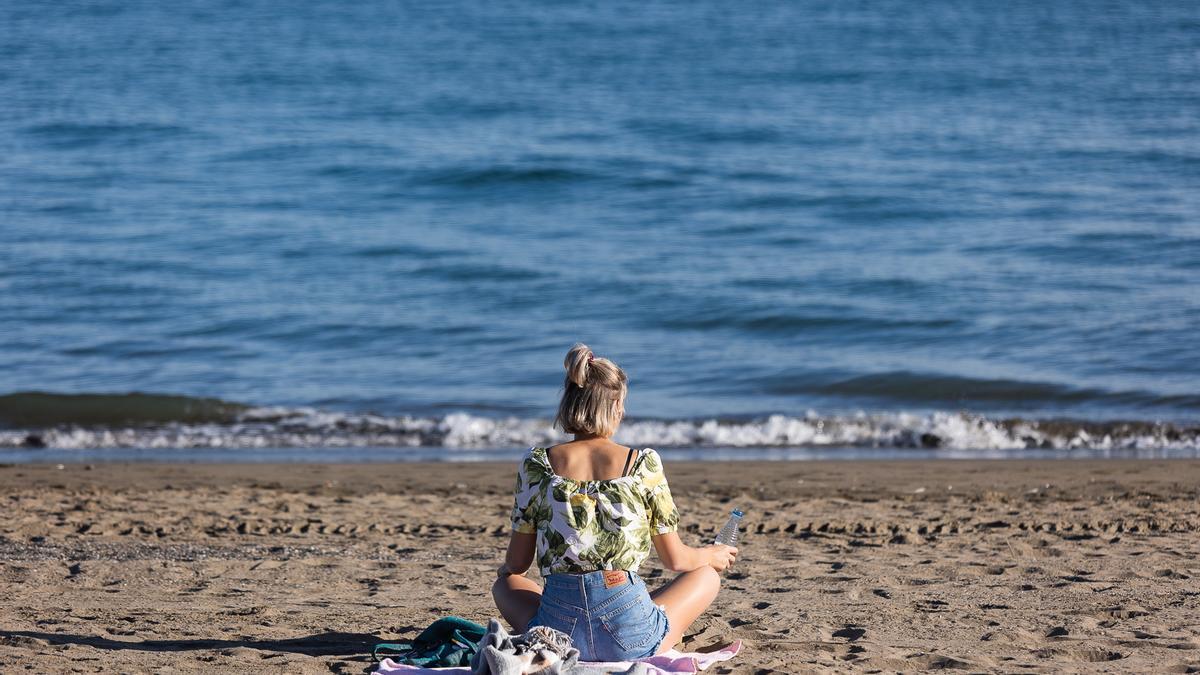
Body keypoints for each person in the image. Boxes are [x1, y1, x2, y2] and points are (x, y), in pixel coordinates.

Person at [491, 343, 738, 661]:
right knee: (706, 576)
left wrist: (509, 569)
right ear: (616, 405)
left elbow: (518, 563)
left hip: (561, 636)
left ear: (569, 402)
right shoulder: (643, 463)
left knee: (505, 584)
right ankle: (651, 636)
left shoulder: (538, 463)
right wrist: (712, 555)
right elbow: (676, 560)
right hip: (630, 635)